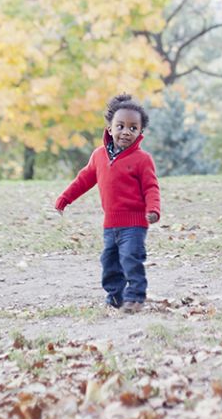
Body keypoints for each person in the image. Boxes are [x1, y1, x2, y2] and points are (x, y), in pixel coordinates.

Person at [55, 92, 161, 313]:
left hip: (134, 223)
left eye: (133, 128)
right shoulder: (99, 156)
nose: (126, 132)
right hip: (110, 224)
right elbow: (83, 179)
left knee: (131, 259)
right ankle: (116, 297)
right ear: (110, 128)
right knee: (109, 262)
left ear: (140, 132)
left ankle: (135, 298)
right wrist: (65, 198)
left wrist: (153, 209)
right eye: (120, 126)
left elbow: (151, 187)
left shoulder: (142, 160)